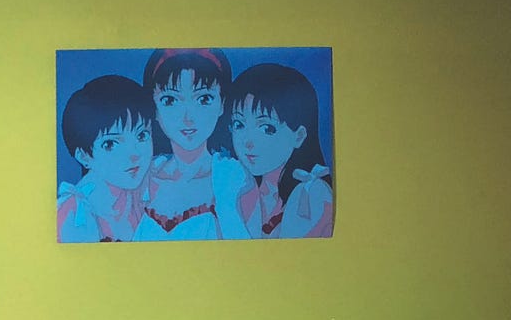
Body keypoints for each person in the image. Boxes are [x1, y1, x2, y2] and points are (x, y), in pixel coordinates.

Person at [134, 49, 250, 241]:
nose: (188, 117)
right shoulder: (142, 174)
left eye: (204, 99)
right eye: (170, 100)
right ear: (154, 109)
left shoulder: (233, 176)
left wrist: (227, 204)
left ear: (222, 104)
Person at [227, 63, 334, 239]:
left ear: (299, 136)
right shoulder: (240, 191)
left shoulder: (312, 194)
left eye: (266, 128)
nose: (248, 142)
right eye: (239, 125)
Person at [57, 75, 155, 242]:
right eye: (110, 144)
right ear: (84, 156)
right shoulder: (73, 214)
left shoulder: (145, 193)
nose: (134, 154)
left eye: (141, 135)